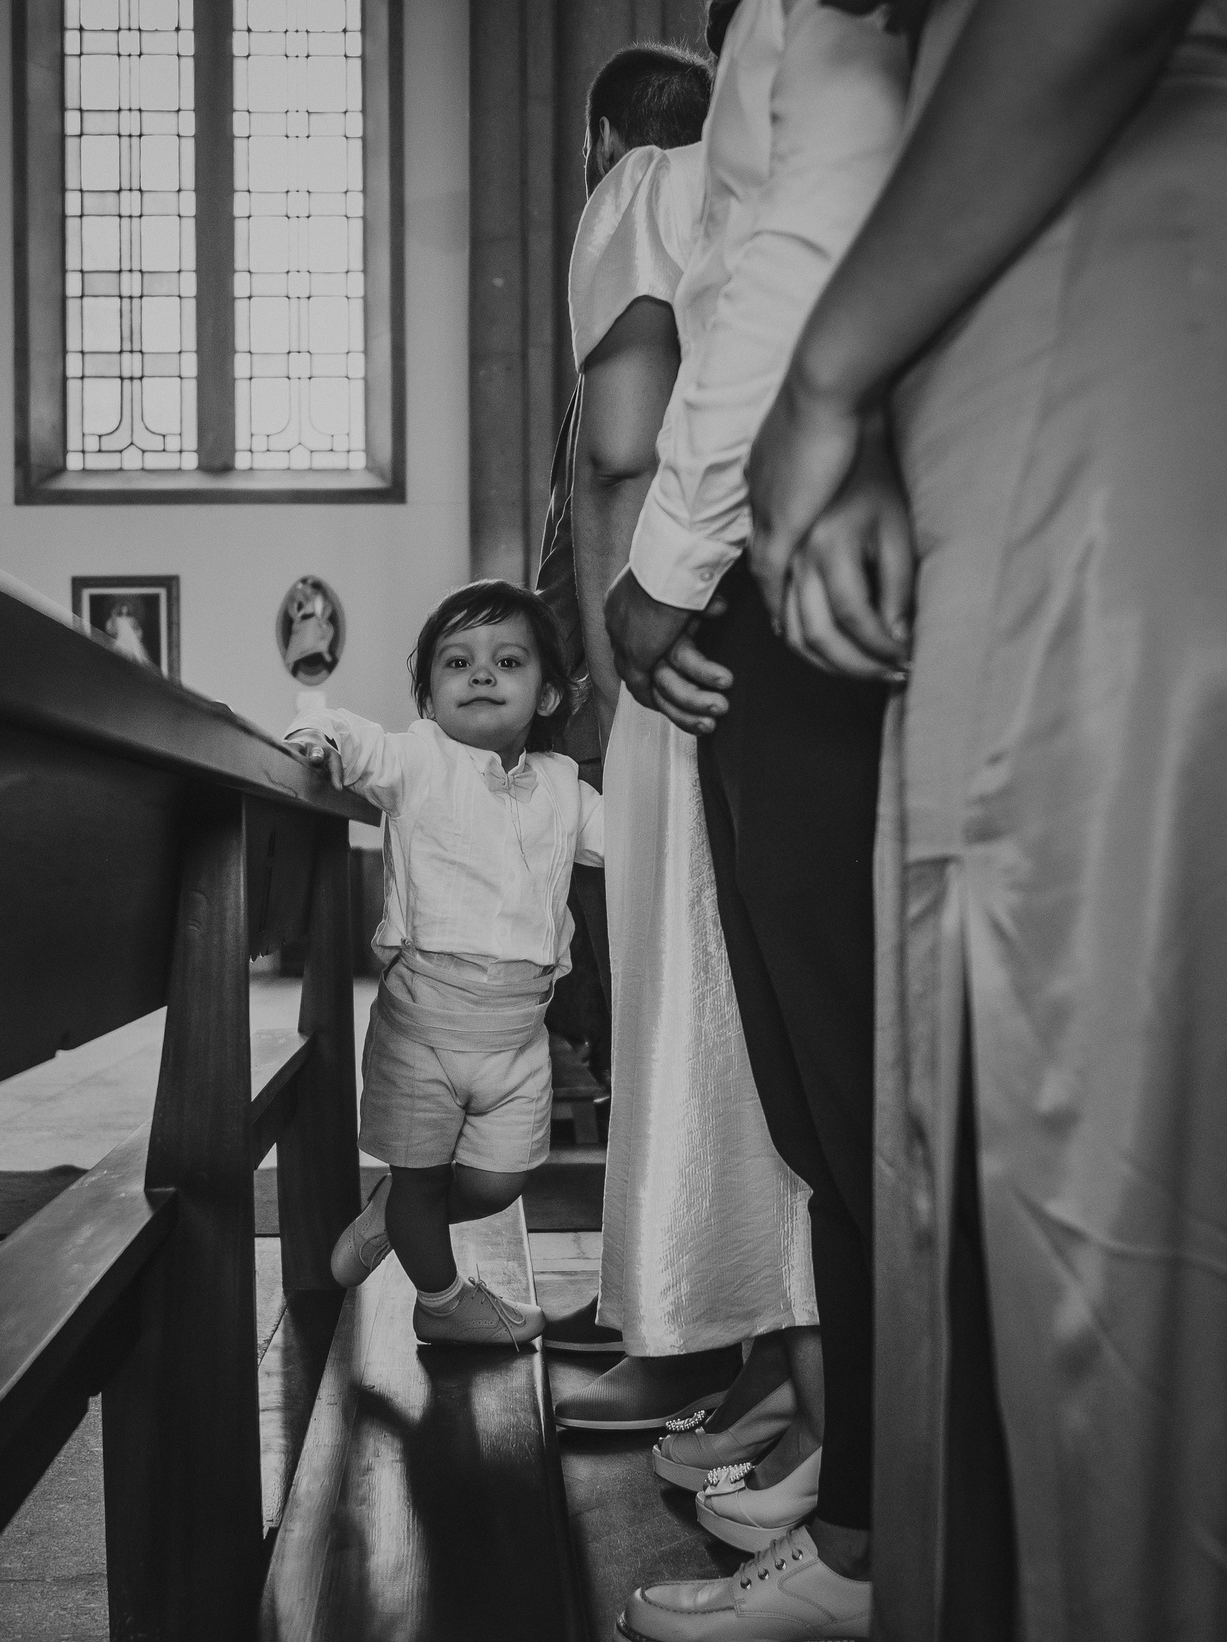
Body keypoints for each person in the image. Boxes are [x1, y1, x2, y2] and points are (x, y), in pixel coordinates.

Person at [742, 0, 1227, 1642]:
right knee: (997, 1160)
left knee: (1133, 1202)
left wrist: (832, 371)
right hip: (1056, 391)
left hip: (1136, 413)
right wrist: (891, 414)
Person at [599, 0, 918, 1642]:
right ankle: (871, 1514)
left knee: (852, 1082)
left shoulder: (813, 24)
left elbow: (782, 261)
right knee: (840, 1088)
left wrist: (662, 563)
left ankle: (880, 1545)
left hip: (795, 543)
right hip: (833, 512)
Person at [287, 582, 605, 1346]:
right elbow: (355, 739)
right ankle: (442, 1301)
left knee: (500, 1182)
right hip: (424, 1022)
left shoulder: (564, 786)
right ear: (428, 696)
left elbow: (626, 841)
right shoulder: (419, 759)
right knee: (425, 1175)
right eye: (457, 661)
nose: (482, 674)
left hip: (518, 1034)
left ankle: (392, 1211)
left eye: (508, 660)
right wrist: (320, 737)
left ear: (549, 691)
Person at [531, 39, 717, 1206]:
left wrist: (604, 679)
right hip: (701, 647)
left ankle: (675, 1270)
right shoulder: (749, 219)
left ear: (603, 142)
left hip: (639, 670)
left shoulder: (639, 202)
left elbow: (612, 471)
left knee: (654, 971)